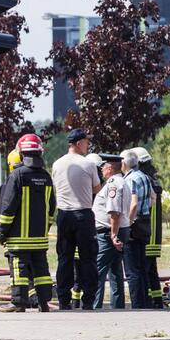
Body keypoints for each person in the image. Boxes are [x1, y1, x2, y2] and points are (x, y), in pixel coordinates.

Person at [0, 134, 56, 312]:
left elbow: (8, 208)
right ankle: (44, 303)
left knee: (19, 270)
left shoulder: (17, 175)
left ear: (21, 154)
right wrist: (44, 229)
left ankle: (18, 303)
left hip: (18, 238)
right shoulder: (46, 177)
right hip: (39, 238)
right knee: (41, 271)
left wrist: (2, 231)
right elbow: (52, 208)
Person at [51, 129, 101, 310]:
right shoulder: (88, 164)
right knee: (88, 259)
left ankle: (64, 300)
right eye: (86, 143)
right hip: (83, 215)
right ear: (79, 143)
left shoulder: (57, 164)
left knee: (64, 258)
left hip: (64, 215)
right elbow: (97, 189)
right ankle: (88, 301)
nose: (88, 146)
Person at [90, 154, 130, 309]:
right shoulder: (121, 181)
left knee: (98, 272)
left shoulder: (113, 184)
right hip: (115, 231)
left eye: (103, 166)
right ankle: (117, 306)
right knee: (115, 272)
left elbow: (114, 212)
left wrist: (113, 235)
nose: (101, 169)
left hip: (109, 233)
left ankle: (94, 306)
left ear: (109, 168)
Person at [120, 149, 155, 309]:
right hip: (145, 224)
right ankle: (145, 302)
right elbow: (153, 198)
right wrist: (145, 209)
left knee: (132, 269)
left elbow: (133, 203)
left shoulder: (129, 180)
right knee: (141, 267)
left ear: (124, 163)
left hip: (134, 227)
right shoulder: (145, 177)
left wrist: (128, 221)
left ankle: (137, 304)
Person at [132, 147, 164, 309]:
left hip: (146, 231)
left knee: (144, 269)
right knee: (151, 270)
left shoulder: (142, 180)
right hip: (154, 233)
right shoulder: (153, 180)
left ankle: (148, 302)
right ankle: (156, 301)